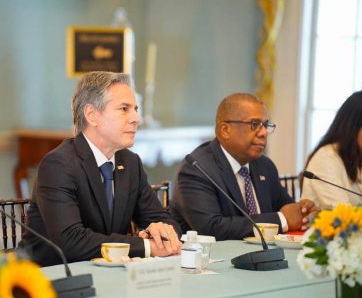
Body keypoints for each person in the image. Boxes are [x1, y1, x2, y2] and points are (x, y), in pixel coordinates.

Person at [20, 71, 181, 266]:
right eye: (124, 109)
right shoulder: (58, 165)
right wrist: (146, 245)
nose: (135, 118)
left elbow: (167, 223)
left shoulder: (131, 163)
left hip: (111, 277)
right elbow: (71, 242)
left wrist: (160, 232)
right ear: (92, 115)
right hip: (51, 280)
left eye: (136, 109)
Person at [170, 93, 318, 241]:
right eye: (254, 124)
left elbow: (288, 210)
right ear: (225, 130)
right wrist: (282, 220)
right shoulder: (197, 169)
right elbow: (211, 228)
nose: (264, 133)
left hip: (264, 258)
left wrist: (303, 212)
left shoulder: (264, 166)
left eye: (266, 125)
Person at [301, 91, 362, 210]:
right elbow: (343, 212)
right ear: (353, 126)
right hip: (326, 228)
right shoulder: (326, 158)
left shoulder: (358, 157)